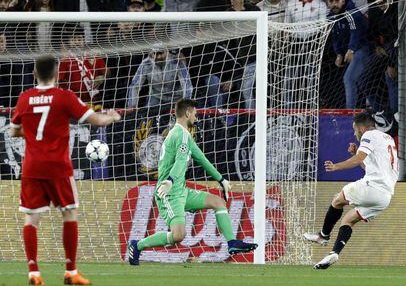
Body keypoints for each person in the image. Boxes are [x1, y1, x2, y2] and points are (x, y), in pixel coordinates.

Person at [10, 54, 121, 285]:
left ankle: (34, 272)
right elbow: (96, 121)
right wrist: (111, 117)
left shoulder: (25, 98)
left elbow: (14, 131)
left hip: (31, 166)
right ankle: (71, 271)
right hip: (58, 167)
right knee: (69, 214)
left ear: (34, 74)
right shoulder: (64, 97)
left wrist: (31, 134)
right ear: (57, 74)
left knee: (31, 219)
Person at [128, 98, 258, 265]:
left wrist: (221, 179)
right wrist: (169, 181)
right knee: (178, 236)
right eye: (195, 114)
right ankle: (137, 245)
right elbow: (181, 161)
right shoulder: (180, 134)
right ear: (188, 113)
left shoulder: (185, 135)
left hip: (181, 190)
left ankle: (232, 243)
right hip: (169, 193)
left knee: (218, 202)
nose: (196, 117)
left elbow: (201, 158)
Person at [304, 112, 398, 269]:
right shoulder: (386, 138)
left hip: (373, 187)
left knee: (337, 200)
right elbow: (369, 166)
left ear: (362, 128)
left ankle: (322, 236)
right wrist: (356, 153)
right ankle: (334, 253)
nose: (355, 134)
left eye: (355, 130)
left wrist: (336, 166)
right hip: (385, 197)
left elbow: (359, 159)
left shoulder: (369, 135)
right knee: (348, 220)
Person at [326, 0, 372, 110]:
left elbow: (355, 32)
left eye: (337, 0)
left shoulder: (350, 12)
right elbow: (335, 36)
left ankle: (348, 113)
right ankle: (374, 107)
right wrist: (339, 54)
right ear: (327, 3)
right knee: (361, 81)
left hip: (363, 48)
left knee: (349, 78)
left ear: (343, 0)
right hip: (351, 51)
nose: (334, 4)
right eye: (331, 1)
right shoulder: (331, 17)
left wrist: (350, 50)